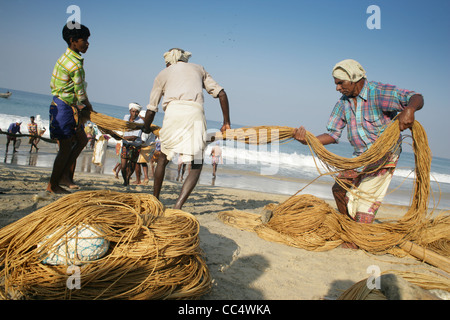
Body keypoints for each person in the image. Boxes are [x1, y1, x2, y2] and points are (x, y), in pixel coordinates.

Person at [293, 59, 424, 248]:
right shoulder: (343, 104)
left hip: (384, 155)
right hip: (361, 156)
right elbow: (332, 134)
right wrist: (308, 140)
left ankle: (356, 240)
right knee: (339, 188)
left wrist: (410, 109)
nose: (337, 88)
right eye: (336, 83)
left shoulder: (378, 93)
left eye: (340, 83)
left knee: (365, 202)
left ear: (354, 78)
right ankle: (349, 229)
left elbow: (416, 96)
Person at [143, 48, 231, 209]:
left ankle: (155, 200)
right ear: (185, 59)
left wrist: (145, 128)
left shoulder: (163, 74)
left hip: (173, 114)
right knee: (197, 163)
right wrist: (226, 122)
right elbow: (222, 94)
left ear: (168, 61)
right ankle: (178, 206)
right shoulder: (198, 68)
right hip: (195, 113)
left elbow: (151, 109)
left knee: (163, 159)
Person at [47, 23, 93, 194]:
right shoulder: (75, 65)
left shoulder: (65, 57)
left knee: (82, 140)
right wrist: (88, 107)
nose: (87, 43)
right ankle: (53, 184)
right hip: (65, 108)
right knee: (66, 148)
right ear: (73, 41)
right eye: (85, 40)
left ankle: (64, 176)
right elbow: (80, 92)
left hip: (62, 105)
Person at [121, 102, 144, 186]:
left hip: (135, 146)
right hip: (126, 144)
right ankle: (125, 179)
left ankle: (127, 178)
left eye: (136, 112)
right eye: (133, 111)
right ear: (130, 111)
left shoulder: (140, 122)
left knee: (132, 165)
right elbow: (122, 127)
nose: (134, 113)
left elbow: (134, 137)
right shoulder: (125, 117)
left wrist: (122, 137)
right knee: (123, 166)